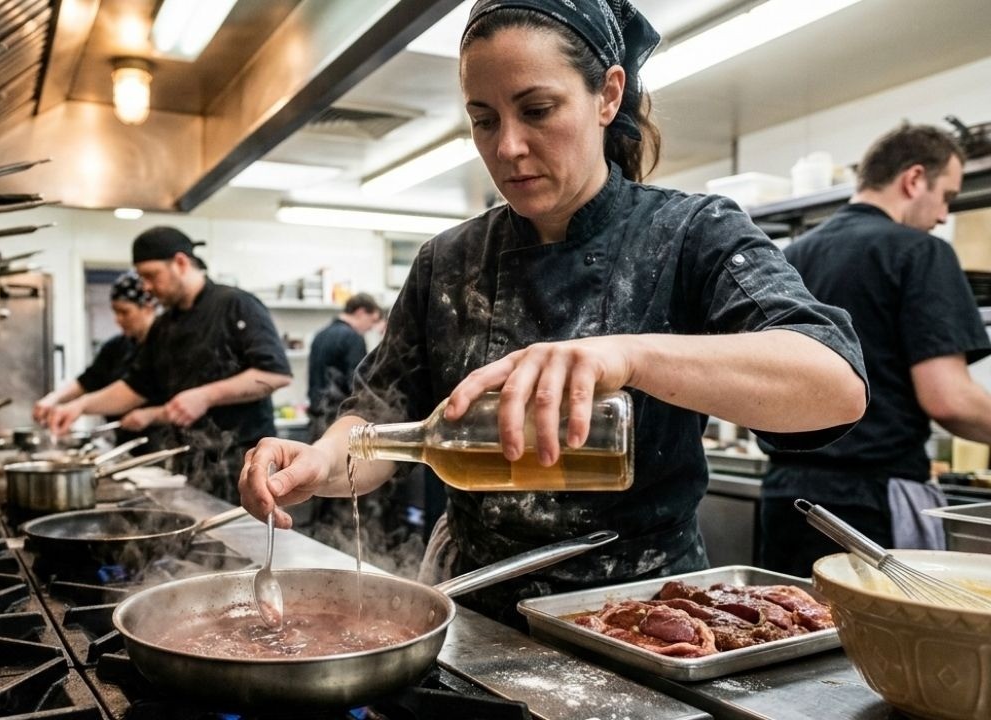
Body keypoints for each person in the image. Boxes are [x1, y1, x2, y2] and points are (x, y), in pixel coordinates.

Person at [239, 0, 868, 628]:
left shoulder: (691, 234)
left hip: (646, 618)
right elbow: (380, 417)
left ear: (607, 95)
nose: (508, 146)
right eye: (483, 120)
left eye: (537, 110)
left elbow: (832, 385)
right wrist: (324, 462)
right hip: (474, 610)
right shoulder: (448, 261)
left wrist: (629, 354)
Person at [760, 124, 987, 577]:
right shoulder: (921, 253)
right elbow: (950, 399)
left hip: (785, 497)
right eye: (946, 196)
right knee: (883, 645)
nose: (944, 216)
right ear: (914, 179)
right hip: (870, 506)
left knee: (793, 634)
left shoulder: (788, 257)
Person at [49, 226, 292, 502]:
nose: (147, 287)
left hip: (243, 463)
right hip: (189, 463)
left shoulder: (235, 304)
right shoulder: (164, 325)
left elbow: (276, 374)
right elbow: (135, 387)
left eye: (152, 276)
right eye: (142, 278)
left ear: (180, 262)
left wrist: (206, 396)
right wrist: (79, 406)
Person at [33, 272, 159, 446]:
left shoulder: (164, 345)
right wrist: (53, 399)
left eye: (124, 312)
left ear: (148, 307)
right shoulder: (116, 346)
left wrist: (80, 406)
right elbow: (89, 380)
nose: (118, 320)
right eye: (115, 312)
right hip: (125, 444)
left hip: (161, 444)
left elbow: (134, 389)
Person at [307, 293, 383, 437]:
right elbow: (358, 384)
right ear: (360, 312)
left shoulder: (320, 335)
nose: (371, 327)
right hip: (338, 421)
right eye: (372, 321)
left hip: (316, 418)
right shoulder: (353, 338)